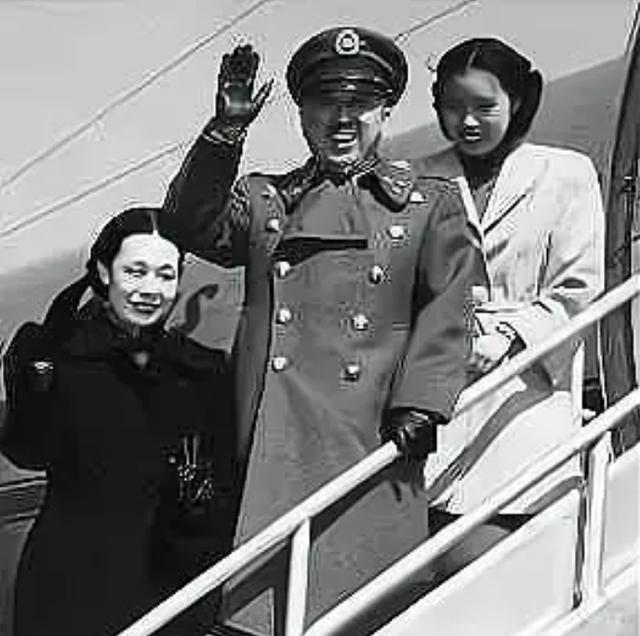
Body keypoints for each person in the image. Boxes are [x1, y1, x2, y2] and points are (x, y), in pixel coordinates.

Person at [163, 30, 475, 635]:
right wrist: (224, 134)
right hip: (273, 450)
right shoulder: (266, 201)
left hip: (372, 441)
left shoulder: (425, 205)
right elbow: (188, 223)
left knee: (365, 610)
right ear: (302, 115)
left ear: (385, 112)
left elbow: (449, 307)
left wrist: (421, 403)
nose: (342, 119)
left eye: (359, 104)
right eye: (326, 104)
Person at [413, 38, 605, 579]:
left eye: (484, 107)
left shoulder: (566, 173)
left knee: (496, 563)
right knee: (428, 567)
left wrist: (510, 336)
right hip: (435, 384)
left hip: (524, 389)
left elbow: (578, 286)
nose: (468, 122)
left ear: (516, 102)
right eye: (454, 107)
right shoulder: (414, 178)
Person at [1, 207, 237, 636]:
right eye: (136, 271)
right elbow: (28, 451)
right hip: (69, 586)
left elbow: (219, 482)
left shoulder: (202, 371)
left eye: (165, 275)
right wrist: (34, 382)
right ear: (104, 272)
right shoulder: (57, 356)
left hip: (169, 587)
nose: (151, 289)